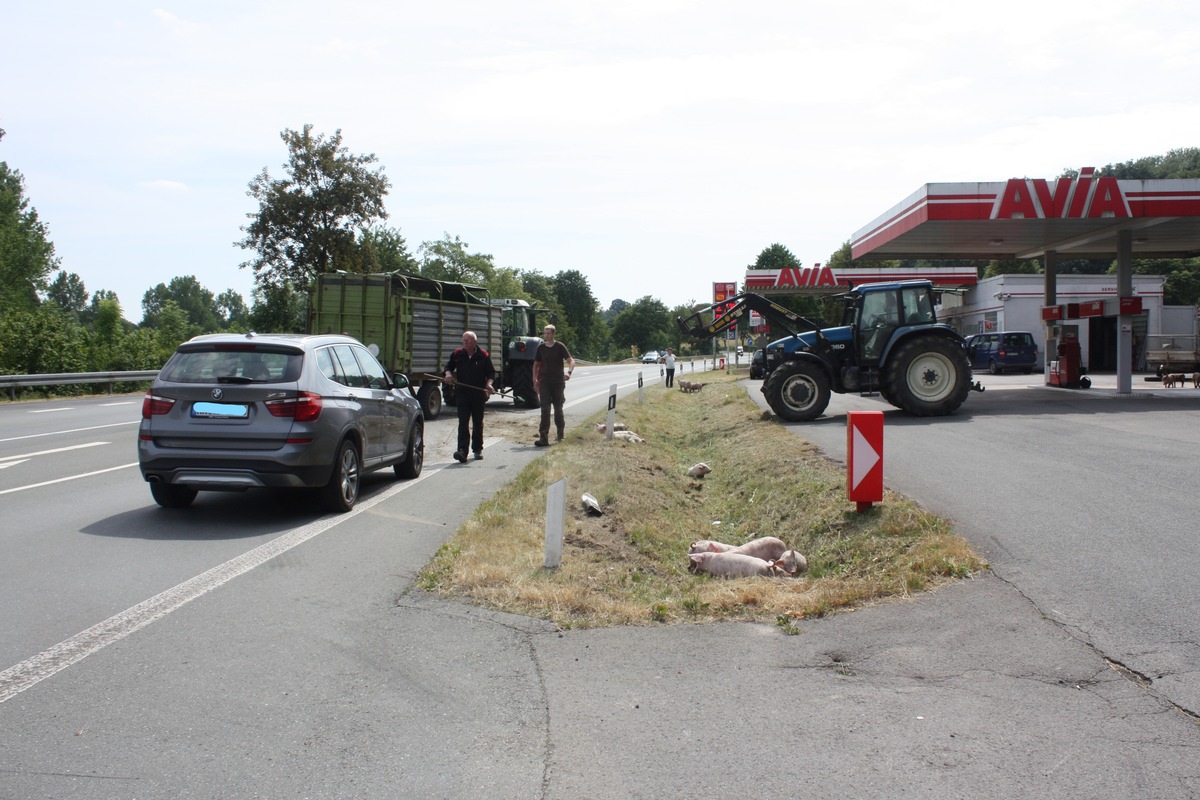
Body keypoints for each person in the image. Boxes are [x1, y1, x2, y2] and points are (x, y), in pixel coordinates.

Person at [443, 331, 496, 463]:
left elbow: (491, 373)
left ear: (474, 342)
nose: (465, 343)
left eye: (468, 341)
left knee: (478, 422)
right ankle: (462, 451)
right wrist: (448, 375)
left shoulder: (483, 355)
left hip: (478, 394)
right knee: (463, 422)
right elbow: (448, 367)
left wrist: (489, 385)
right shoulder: (457, 354)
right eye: (463, 340)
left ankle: (477, 449)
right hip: (462, 393)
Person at [533, 324, 575, 446]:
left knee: (558, 410)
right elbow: (535, 365)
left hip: (558, 382)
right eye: (545, 333)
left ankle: (560, 435)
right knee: (545, 410)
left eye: (548, 333)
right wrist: (534, 379)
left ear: (553, 334)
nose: (546, 335)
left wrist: (569, 372)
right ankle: (543, 437)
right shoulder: (541, 348)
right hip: (545, 382)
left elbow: (571, 361)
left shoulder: (559, 346)